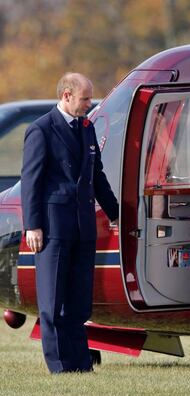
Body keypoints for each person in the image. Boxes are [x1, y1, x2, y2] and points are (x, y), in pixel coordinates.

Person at [21, 72, 119, 373]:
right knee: (52, 302)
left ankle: (80, 364)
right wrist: (33, 225)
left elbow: (96, 175)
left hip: (82, 227)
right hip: (53, 228)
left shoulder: (86, 128)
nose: (90, 104)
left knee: (79, 303)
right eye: (85, 99)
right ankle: (59, 364)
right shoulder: (41, 130)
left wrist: (115, 212)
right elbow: (31, 182)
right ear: (66, 95)